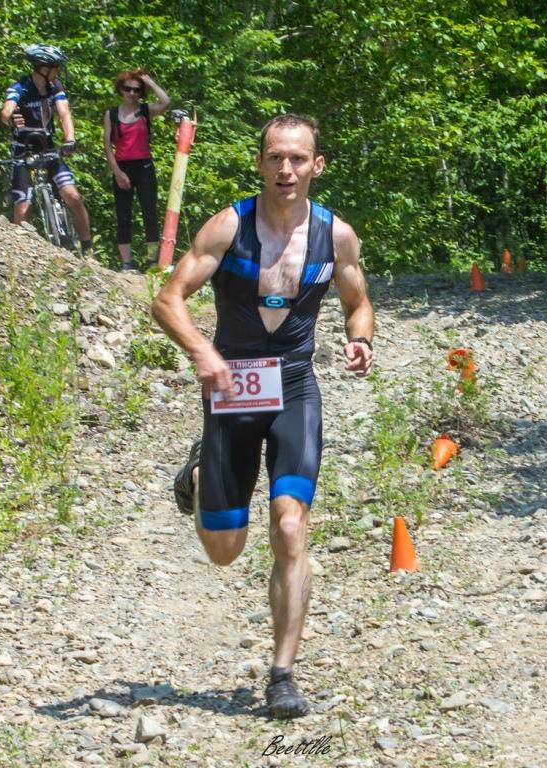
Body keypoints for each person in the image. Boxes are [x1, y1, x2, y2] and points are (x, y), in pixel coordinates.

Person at [152, 114, 375, 719]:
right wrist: (201, 351)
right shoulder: (229, 227)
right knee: (225, 550)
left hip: (296, 388)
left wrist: (360, 339)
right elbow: (168, 300)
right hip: (232, 387)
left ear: (316, 166)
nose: (286, 170)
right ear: (260, 163)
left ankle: (282, 676)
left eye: (298, 159)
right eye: (275, 157)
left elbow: (358, 303)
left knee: (290, 526)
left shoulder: (336, 236)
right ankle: (201, 473)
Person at [0, 44, 92, 254]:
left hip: (47, 147)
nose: (58, 71)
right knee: (23, 207)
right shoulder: (20, 87)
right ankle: (21, 251)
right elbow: (5, 111)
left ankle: (87, 248)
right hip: (23, 150)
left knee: (73, 197)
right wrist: (10, 118)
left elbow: (64, 114)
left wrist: (70, 139)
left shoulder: (54, 86)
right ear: (43, 68)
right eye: (56, 67)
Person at [103, 69, 170, 271]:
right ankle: (126, 264)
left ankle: (152, 262)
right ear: (120, 90)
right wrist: (117, 173)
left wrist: (149, 82)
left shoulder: (146, 111)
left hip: (144, 167)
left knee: (150, 214)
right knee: (123, 216)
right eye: (127, 89)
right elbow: (108, 147)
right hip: (122, 168)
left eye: (136, 90)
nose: (132, 93)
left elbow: (165, 101)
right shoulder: (111, 114)